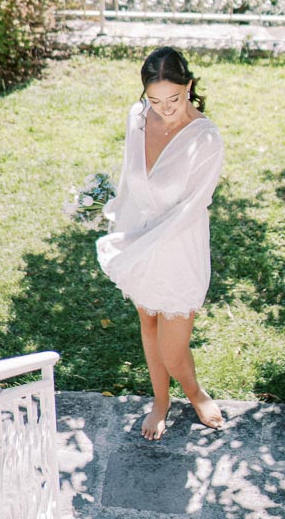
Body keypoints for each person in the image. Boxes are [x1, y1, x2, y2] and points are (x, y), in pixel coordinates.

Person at [96, 46, 224, 440]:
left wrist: (143, 246)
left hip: (176, 248)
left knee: (173, 347)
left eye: (174, 98)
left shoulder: (206, 139)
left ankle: (196, 392)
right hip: (137, 237)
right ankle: (161, 401)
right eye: (154, 100)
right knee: (148, 325)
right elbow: (130, 176)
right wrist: (117, 217)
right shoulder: (137, 118)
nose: (164, 109)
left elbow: (192, 207)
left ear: (188, 86)